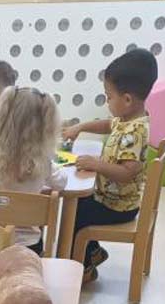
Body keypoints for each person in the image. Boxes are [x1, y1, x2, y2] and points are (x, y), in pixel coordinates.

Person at [62, 48, 158, 283]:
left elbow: (127, 173)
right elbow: (108, 125)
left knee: (75, 214)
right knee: (77, 203)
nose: (107, 102)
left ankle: (82, 269)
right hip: (110, 198)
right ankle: (93, 252)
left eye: (109, 96)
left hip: (119, 206)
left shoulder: (135, 131)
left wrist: (96, 164)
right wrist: (80, 127)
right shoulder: (128, 119)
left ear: (127, 99)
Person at [0, 86, 67, 254]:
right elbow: (61, 183)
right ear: (46, 128)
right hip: (29, 249)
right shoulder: (44, 166)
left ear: (0, 122)